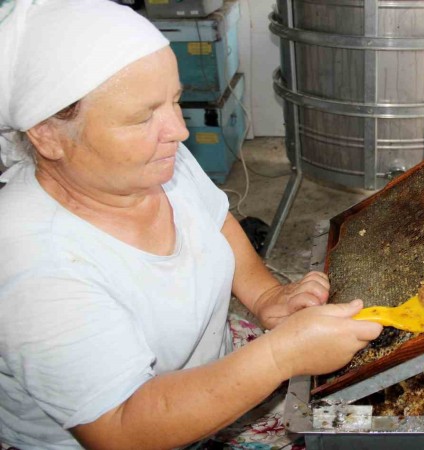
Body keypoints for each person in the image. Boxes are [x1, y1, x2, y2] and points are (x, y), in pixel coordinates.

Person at [0, 1, 383, 448]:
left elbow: (215, 222)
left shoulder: (153, 160)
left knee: (371, 418)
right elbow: (121, 429)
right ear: (47, 135)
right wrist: (280, 355)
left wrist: (267, 296)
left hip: (218, 368)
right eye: (143, 116)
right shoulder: (33, 265)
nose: (178, 131)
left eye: (175, 100)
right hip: (147, 429)